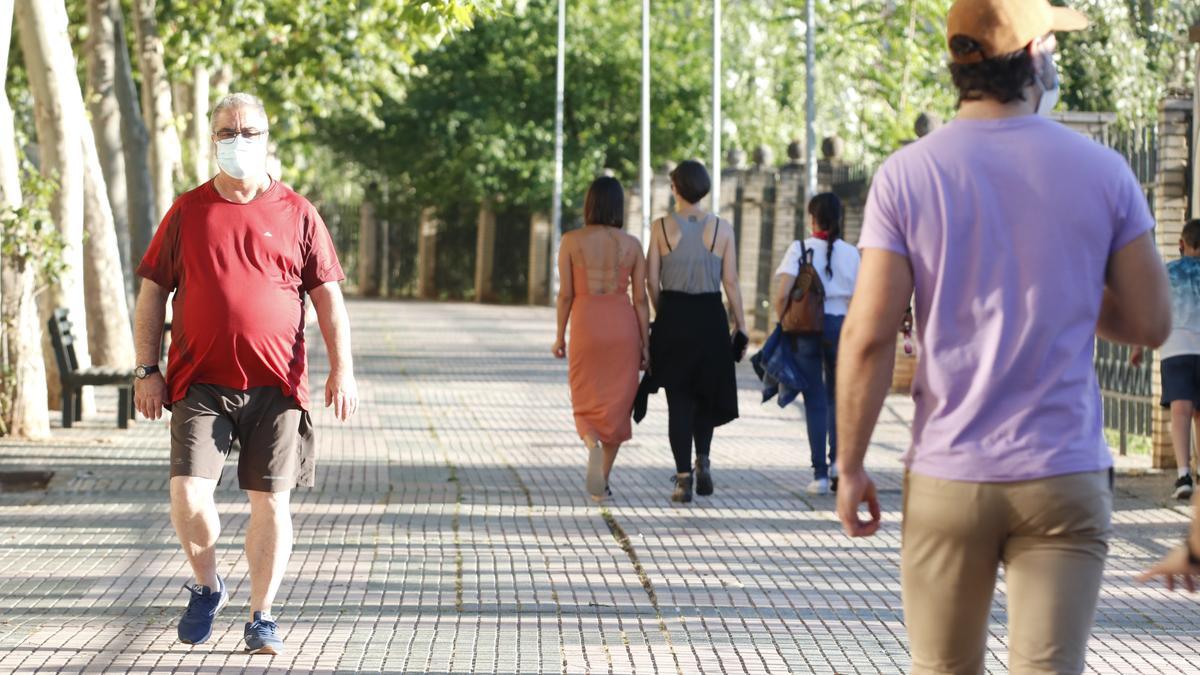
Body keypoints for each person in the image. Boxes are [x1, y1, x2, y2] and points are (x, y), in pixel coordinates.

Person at [833, 0, 1171, 672]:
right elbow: (1150, 322)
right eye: (1053, 44)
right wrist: (1066, 286)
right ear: (1036, 56)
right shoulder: (1104, 172)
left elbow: (869, 338)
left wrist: (849, 465)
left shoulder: (908, 175)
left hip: (948, 472)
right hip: (1063, 472)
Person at [133, 93, 358, 656]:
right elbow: (152, 292)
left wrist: (343, 370)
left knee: (271, 504)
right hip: (199, 384)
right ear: (212, 140)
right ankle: (207, 585)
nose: (238, 141)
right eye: (226, 132)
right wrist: (145, 369)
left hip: (278, 386)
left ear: (266, 137)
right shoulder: (187, 211)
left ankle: (262, 615)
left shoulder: (297, 211)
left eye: (248, 131)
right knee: (187, 496)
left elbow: (328, 299)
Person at [646, 160, 747, 503]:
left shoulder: (660, 228)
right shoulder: (723, 229)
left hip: (674, 315)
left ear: (675, 188)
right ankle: (702, 458)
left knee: (679, 400)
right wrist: (741, 325)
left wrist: (664, 313)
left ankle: (683, 479)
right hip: (710, 318)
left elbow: (650, 280)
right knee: (706, 395)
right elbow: (730, 282)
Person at [552, 177, 650, 501]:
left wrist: (559, 336)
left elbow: (565, 295)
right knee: (618, 406)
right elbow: (641, 300)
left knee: (585, 399)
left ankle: (591, 443)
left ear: (589, 203)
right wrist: (646, 345)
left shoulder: (570, 241)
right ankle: (602, 482)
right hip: (622, 327)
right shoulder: (633, 245)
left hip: (586, 323)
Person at [773, 193, 860, 495]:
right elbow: (861, 298)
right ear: (839, 219)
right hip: (842, 327)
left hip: (807, 328)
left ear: (812, 218)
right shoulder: (852, 254)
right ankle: (838, 463)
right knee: (840, 398)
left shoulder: (799, 249)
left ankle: (820, 475)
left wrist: (782, 320)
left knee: (815, 399)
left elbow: (783, 294)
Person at [1131, 219, 1200, 500]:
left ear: (1181, 244)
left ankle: (1183, 474)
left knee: (1181, 412)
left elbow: (1149, 308)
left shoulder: (1167, 272)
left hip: (1176, 347)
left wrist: (1138, 344)